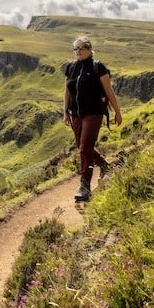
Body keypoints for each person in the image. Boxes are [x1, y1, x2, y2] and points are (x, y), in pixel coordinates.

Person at [63, 36, 122, 201]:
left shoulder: (98, 67)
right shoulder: (71, 68)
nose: (78, 51)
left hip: (94, 113)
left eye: (81, 48)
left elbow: (109, 91)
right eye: (75, 48)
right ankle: (104, 166)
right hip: (76, 113)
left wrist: (117, 112)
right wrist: (65, 111)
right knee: (83, 147)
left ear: (89, 49)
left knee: (84, 149)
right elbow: (67, 91)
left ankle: (84, 186)